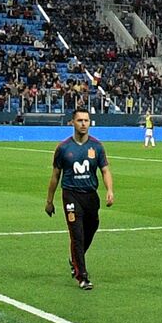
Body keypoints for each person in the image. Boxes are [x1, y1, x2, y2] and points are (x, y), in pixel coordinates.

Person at [44, 107, 115, 291]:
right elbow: (55, 176)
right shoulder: (63, 148)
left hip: (91, 196)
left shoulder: (97, 146)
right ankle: (82, 276)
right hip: (71, 195)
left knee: (91, 229)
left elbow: (105, 170)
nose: (84, 124)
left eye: (86, 120)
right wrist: (49, 201)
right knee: (76, 234)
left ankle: (75, 258)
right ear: (72, 123)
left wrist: (110, 190)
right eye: (80, 120)